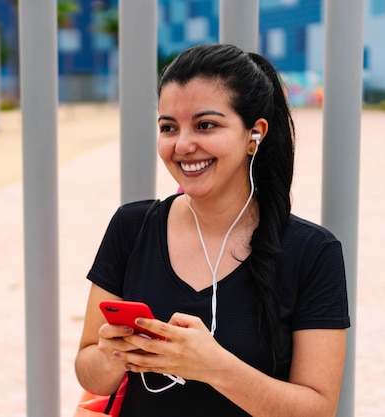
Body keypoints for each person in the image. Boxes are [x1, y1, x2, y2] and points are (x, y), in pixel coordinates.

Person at [75, 43, 350, 417]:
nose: (183, 145)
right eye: (168, 127)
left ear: (254, 134)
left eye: (206, 125)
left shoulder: (312, 252)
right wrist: (111, 355)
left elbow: (318, 409)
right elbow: (90, 374)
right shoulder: (131, 227)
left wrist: (213, 366)